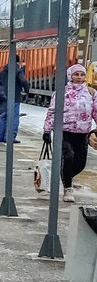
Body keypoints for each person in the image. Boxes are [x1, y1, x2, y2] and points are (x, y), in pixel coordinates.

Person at [43, 64, 95, 203]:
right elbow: (52, 111)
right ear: (70, 76)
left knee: (81, 162)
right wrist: (47, 130)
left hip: (83, 132)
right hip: (64, 131)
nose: (79, 77)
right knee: (69, 156)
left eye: (82, 75)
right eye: (76, 74)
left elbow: (95, 111)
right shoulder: (61, 92)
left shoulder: (91, 93)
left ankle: (65, 176)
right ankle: (68, 189)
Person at [0, 56, 30, 143]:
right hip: (14, 97)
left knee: (3, 116)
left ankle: (0, 137)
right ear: (18, 62)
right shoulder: (18, 71)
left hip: (3, 97)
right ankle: (10, 137)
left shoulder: (3, 71)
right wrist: (26, 90)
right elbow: (23, 81)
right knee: (14, 117)